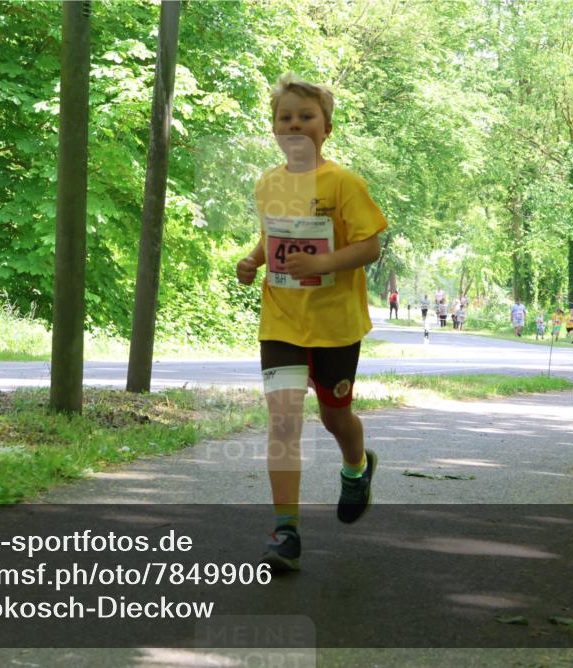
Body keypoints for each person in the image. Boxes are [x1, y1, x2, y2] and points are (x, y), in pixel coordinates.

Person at [236, 73, 386, 572]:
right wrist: (254, 261)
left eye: (306, 116)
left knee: (334, 415)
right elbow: (273, 235)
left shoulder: (343, 183)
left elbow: (370, 245)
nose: (295, 124)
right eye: (285, 117)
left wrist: (321, 265)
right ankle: (286, 531)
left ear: (326, 127)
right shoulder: (268, 183)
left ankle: (356, 466)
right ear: (274, 128)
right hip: (280, 321)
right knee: (283, 422)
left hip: (335, 325)